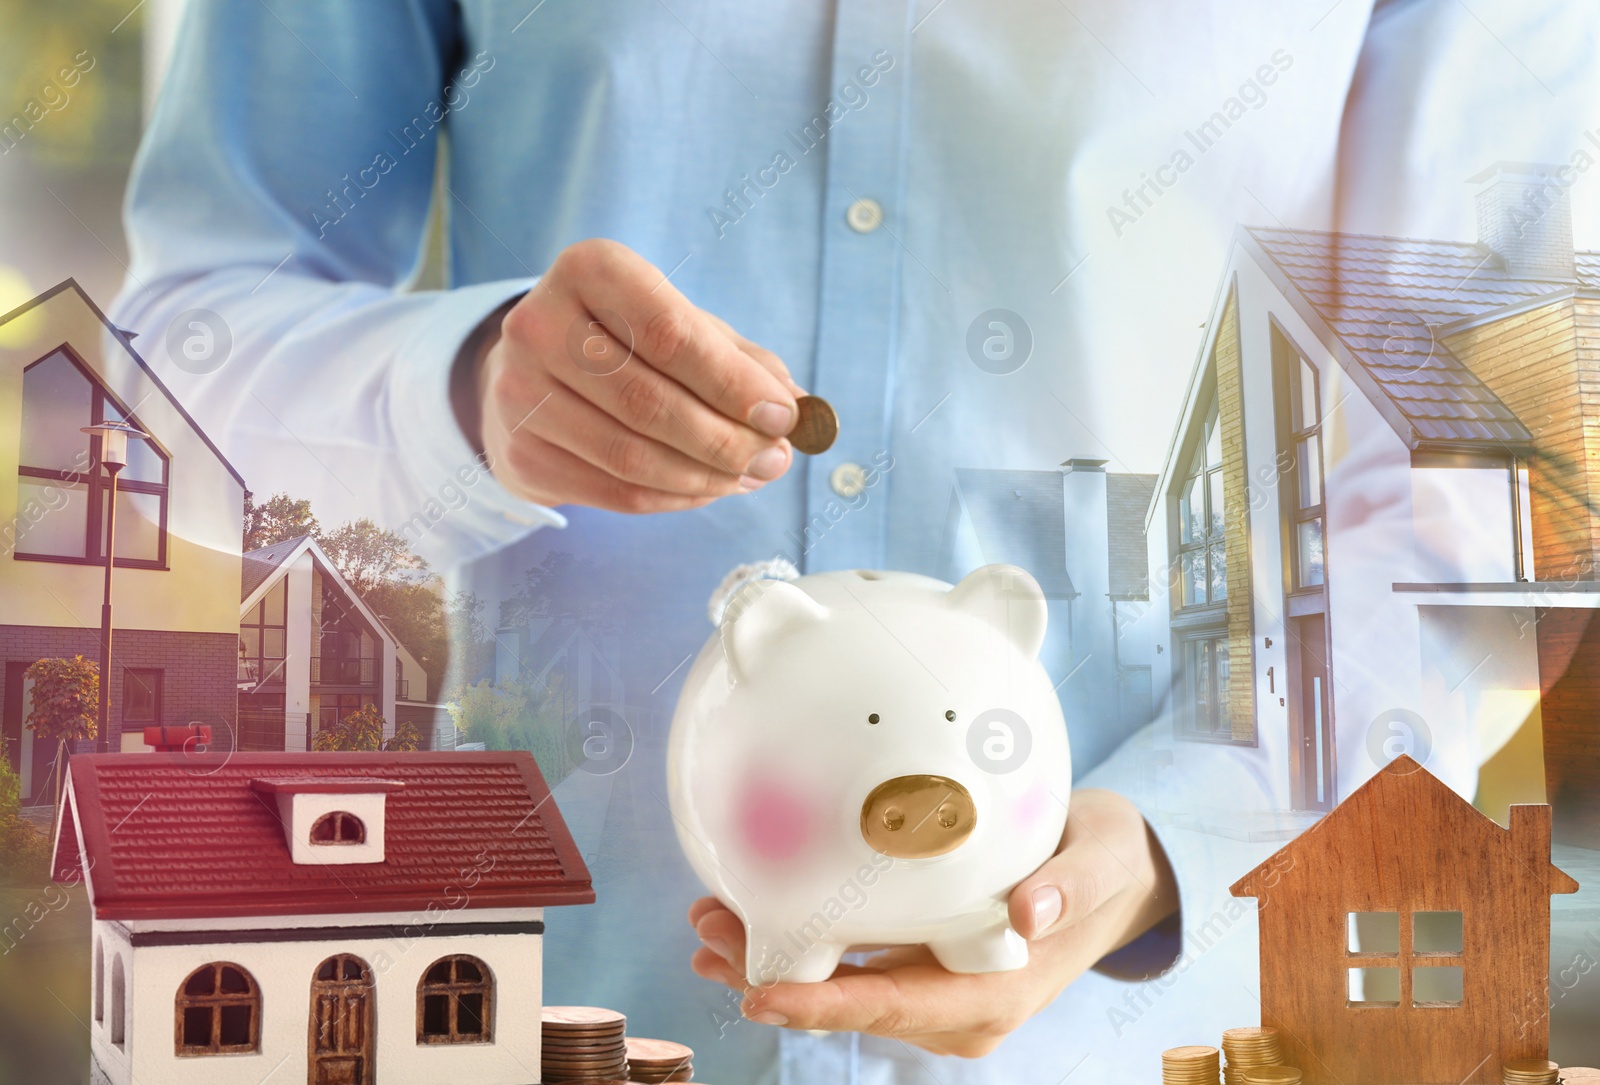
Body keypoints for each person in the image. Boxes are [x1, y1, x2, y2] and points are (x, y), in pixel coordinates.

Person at [109, 2, 1599, 1081]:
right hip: (546, 1006)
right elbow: (186, 358)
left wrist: (1171, 840)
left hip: (1145, 1029)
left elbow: (1488, 480)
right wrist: (468, 391)